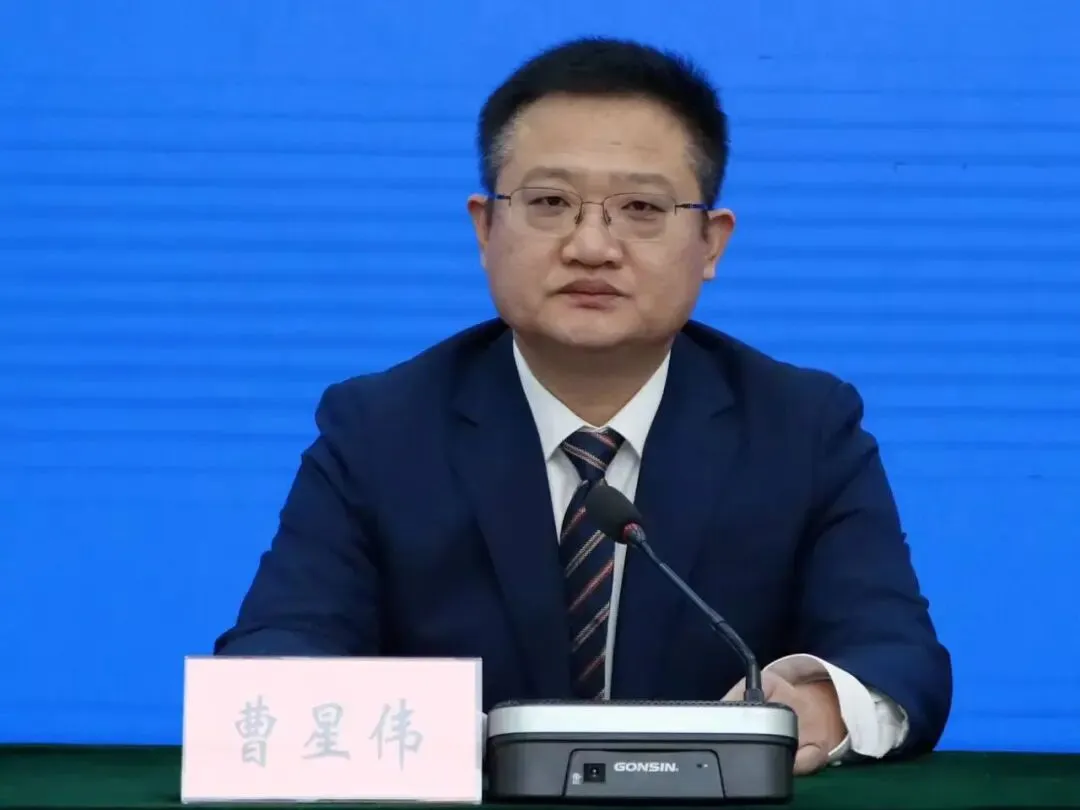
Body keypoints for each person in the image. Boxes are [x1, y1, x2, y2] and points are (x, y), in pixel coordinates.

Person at [214, 36, 952, 775]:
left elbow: (897, 658)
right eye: (550, 203)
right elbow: (273, 660)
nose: (591, 246)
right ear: (484, 228)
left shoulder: (803, 427)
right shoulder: (380, 430)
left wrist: (822, 705)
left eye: (641, 207)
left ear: (711, 243)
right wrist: (442, 737)